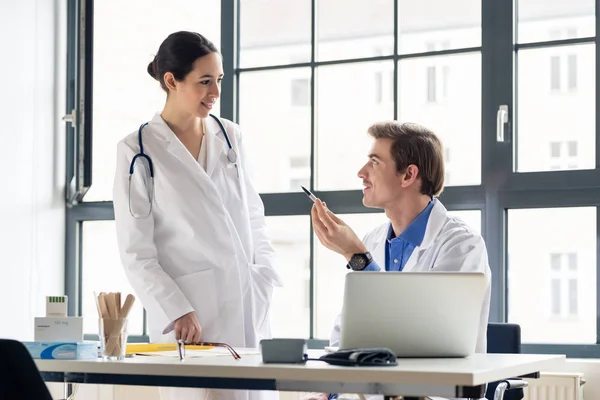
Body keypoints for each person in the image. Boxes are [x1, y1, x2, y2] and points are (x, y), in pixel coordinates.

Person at [112, 31, 282, 400]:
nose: (215, 93)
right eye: (204, 82)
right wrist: (177, 309)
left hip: (246, 303)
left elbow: (254, 217)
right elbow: (136, 252)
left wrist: (264, 274)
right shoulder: (137, 150)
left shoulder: (230, 136)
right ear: (171, 81)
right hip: (191, 319)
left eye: (218, 80)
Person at [305, 121, 491, 400]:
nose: (361, 173)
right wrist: (329, 392)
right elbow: (346, 334)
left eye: (374, 163)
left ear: (408, 175)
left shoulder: (461, 245)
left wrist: (357, 258)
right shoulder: (374, 240)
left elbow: (418, 335)